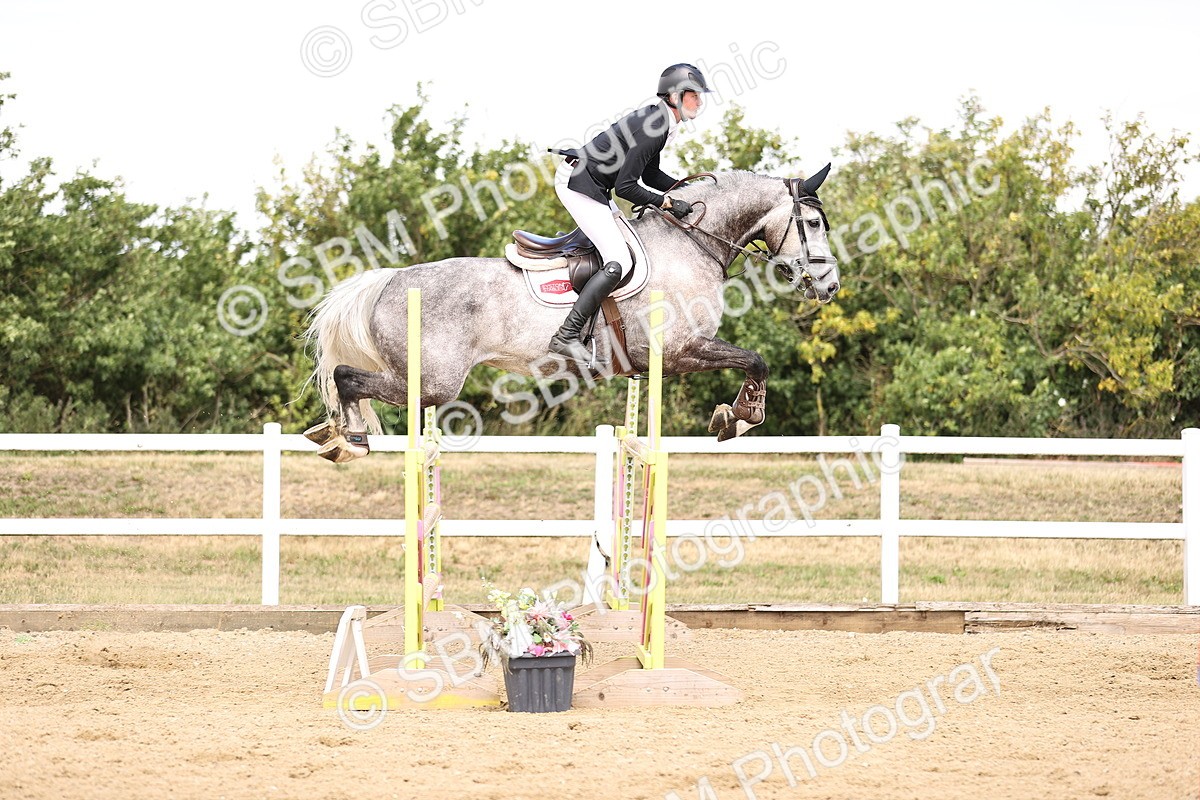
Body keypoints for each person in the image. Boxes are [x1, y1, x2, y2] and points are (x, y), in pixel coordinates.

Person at [548, 63, 711, 365]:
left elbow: (649, 175)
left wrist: (689, 191)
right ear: (675, 96)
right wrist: (665, 203)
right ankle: (566, 335)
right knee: (620, 260)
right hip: (578, 183)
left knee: (626, 246)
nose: (699, 102)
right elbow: (625, 187)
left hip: (594, 185)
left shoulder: (659, 121)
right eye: (695, 95)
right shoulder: (655, 126)